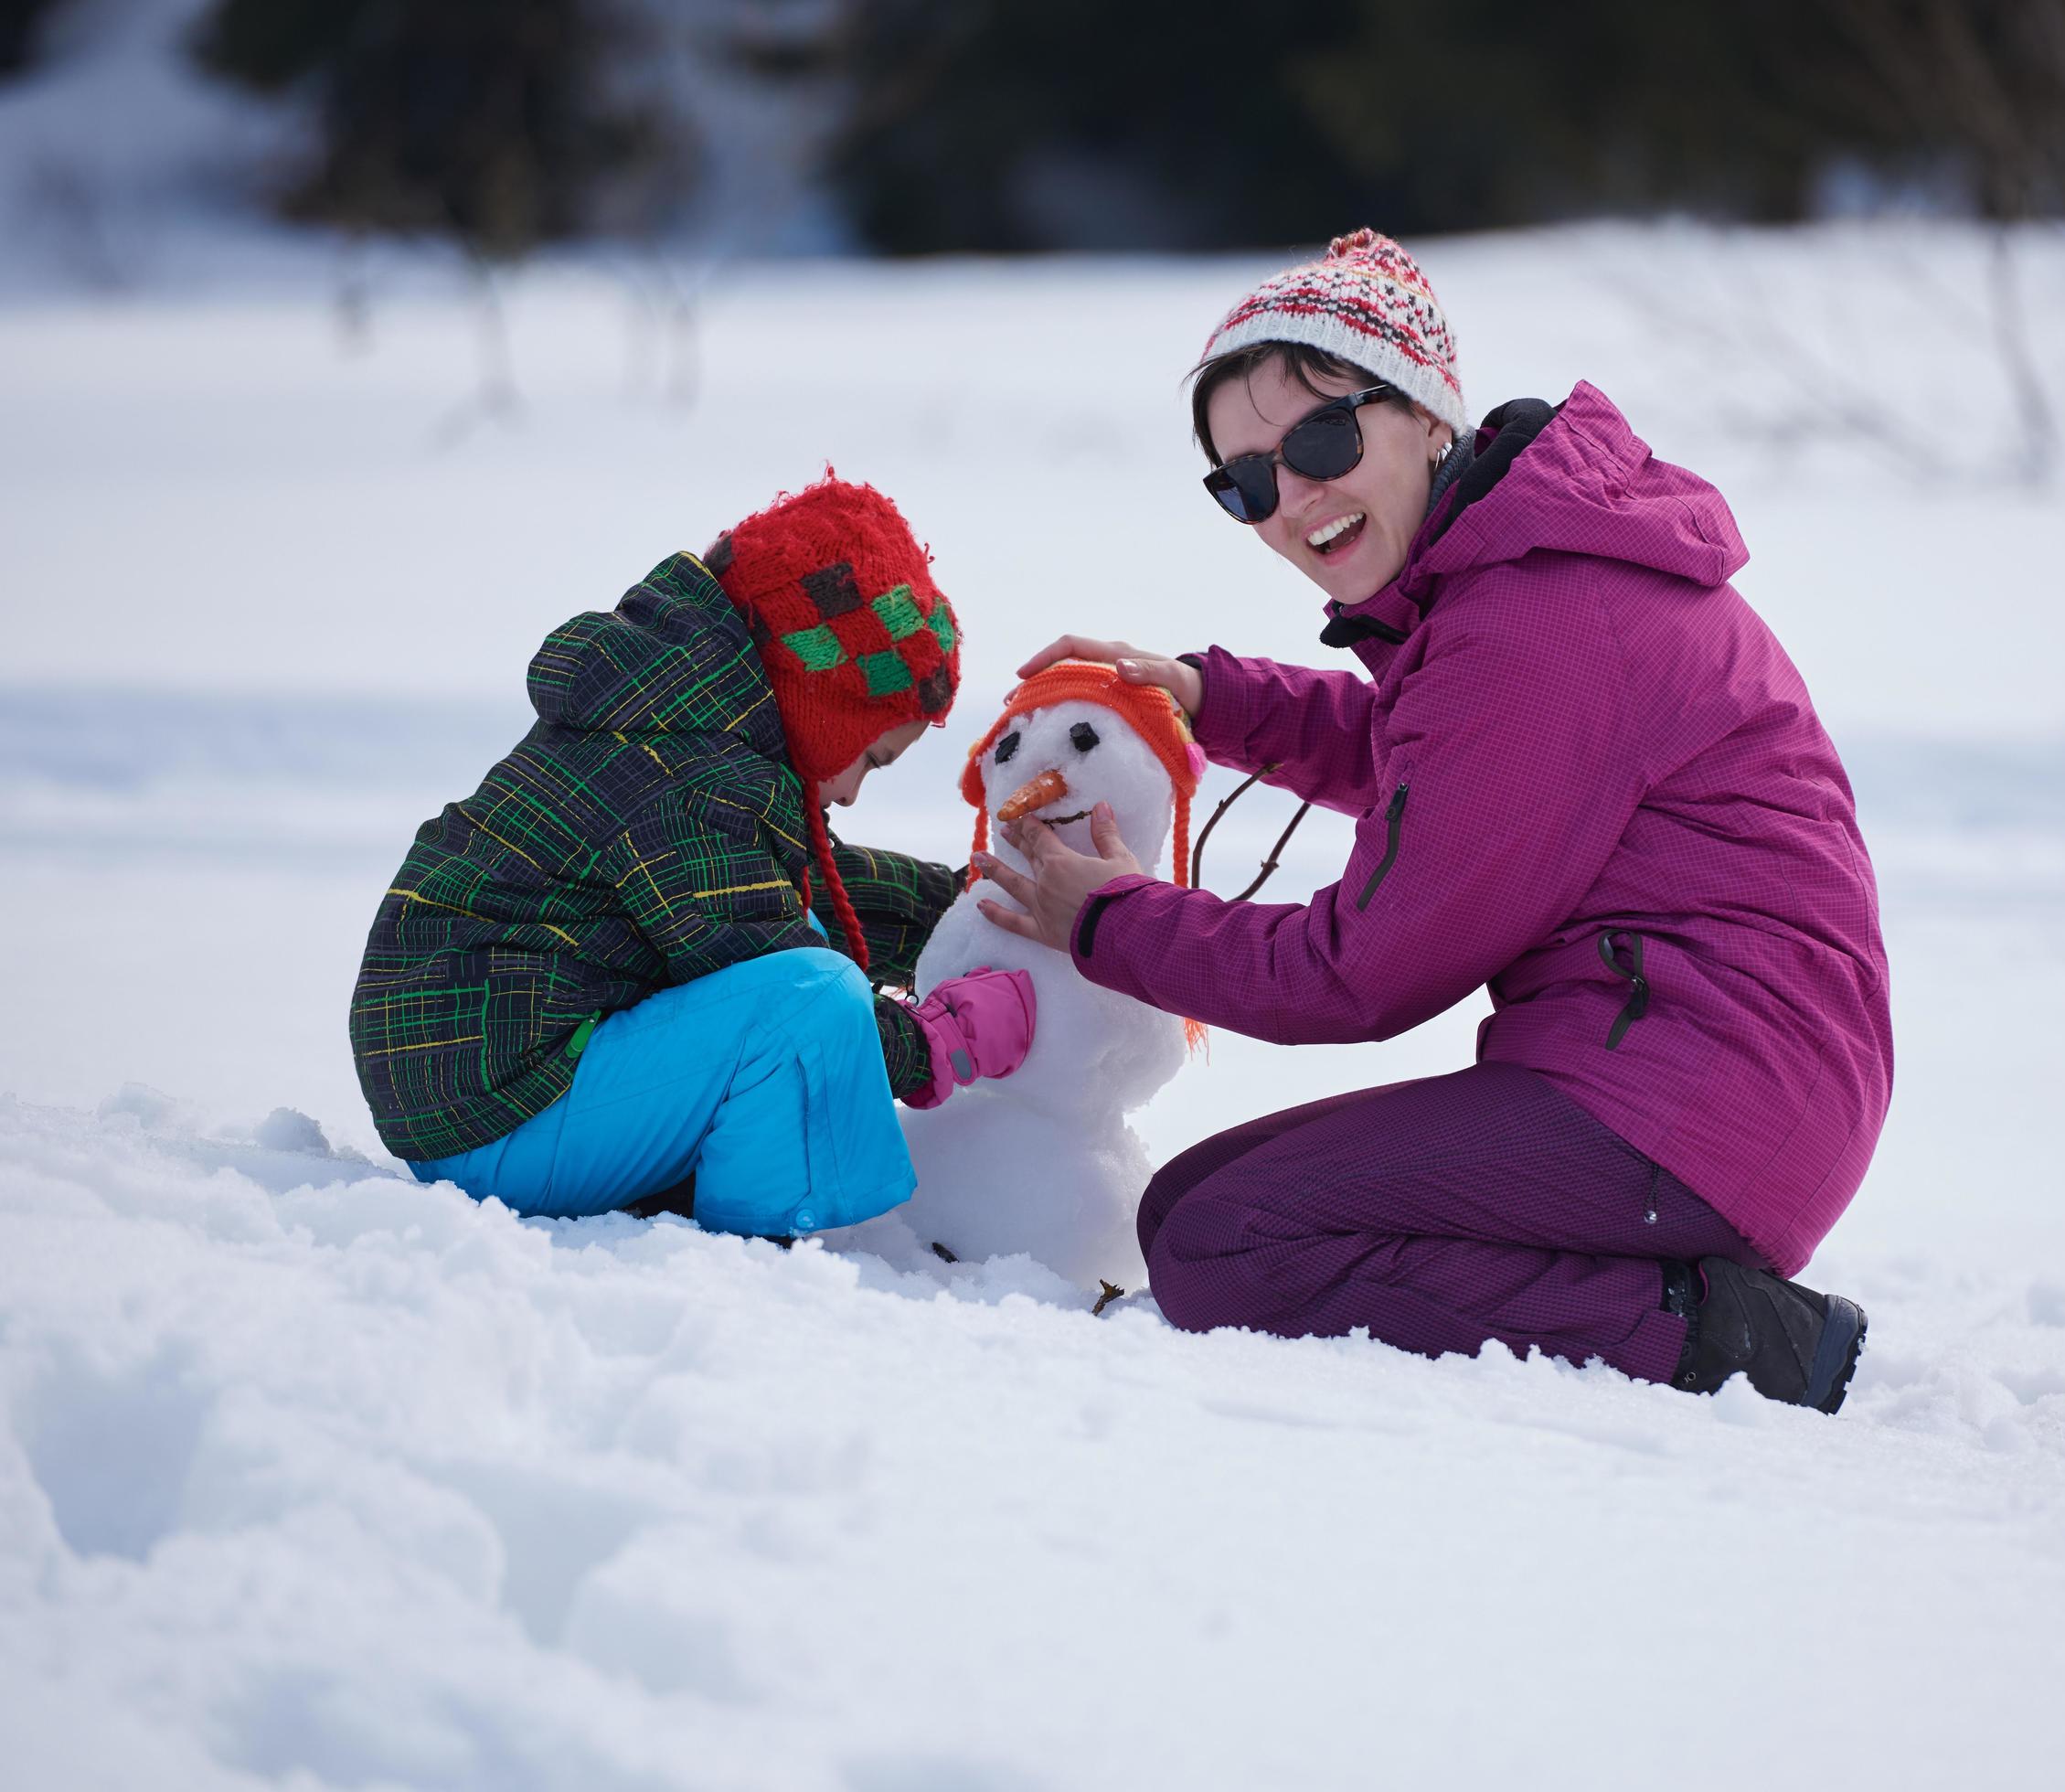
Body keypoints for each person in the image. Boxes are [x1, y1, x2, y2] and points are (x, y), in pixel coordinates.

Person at [977, 229, 1892, 1411]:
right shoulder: (1519, 576)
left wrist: (1112, 922)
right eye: (1244, 481)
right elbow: (1439, 771)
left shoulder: (1533, 624)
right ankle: (1650, 1286)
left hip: (1696, 1105)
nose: (1291, 497)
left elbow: (1362, 973)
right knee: (1199, 1209)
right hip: (1708, 1088)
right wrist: (1208, 699)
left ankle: (1718, 1338)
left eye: (1320, 438)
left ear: (1422, 411)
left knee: (1226, 1240)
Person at [349, 474, 1036, 1240]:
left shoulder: (681, 731)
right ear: (820, 700)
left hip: (487, 1090)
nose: (850, 795)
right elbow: (771, 959)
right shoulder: (688, 778)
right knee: (810, 1003)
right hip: (501, 1113)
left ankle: (702, 1179)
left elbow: (783, 893)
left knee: (801, 976)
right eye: (871, 758)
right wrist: (939, 1043)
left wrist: (962, 906)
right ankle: (751, 1257)